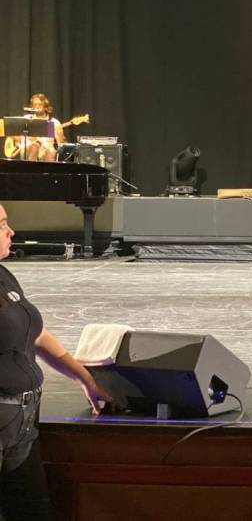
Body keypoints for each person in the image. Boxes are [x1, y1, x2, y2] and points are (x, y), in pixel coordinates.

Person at [0, 204, 114, 520]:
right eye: (2, 225)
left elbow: (35, 334)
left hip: (21, 424)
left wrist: (86, 379)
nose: (11, 232)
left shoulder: (4, 276)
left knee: (33, 512)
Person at [4, 94, 66, 162]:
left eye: (39, 104)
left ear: (46, 107)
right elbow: (11, 132)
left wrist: (58, 138)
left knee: (51, 151)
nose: (37, 106)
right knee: (35, 146)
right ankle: (31, 170)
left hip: (46, 150)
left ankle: (48, 171)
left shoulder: (53, 122)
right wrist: (18, 141)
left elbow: (62, 143)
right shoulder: (26, 119)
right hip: (28, 149)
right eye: (34, 104)